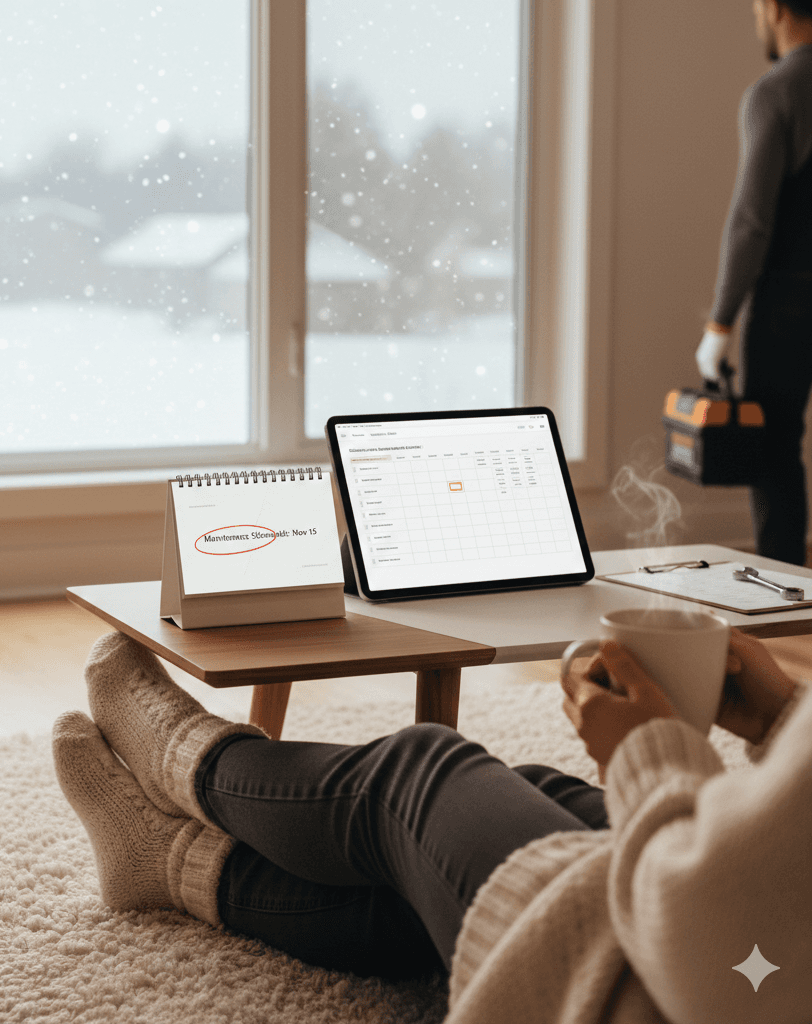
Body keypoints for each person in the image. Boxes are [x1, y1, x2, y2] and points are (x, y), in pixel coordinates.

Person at [53, 629, 811, 1024]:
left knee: (421, 777)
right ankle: (172, 864)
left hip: (688, 984)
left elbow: (718, 945)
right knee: (526, 796)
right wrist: (783, 721)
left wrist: (649, 753)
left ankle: (185, 764)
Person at [695, 0, 812, 566]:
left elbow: (751, 223)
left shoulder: (779, 91)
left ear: (774, 7)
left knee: (775, 450)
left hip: (790, 299)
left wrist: (719, 322)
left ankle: (789, 599)